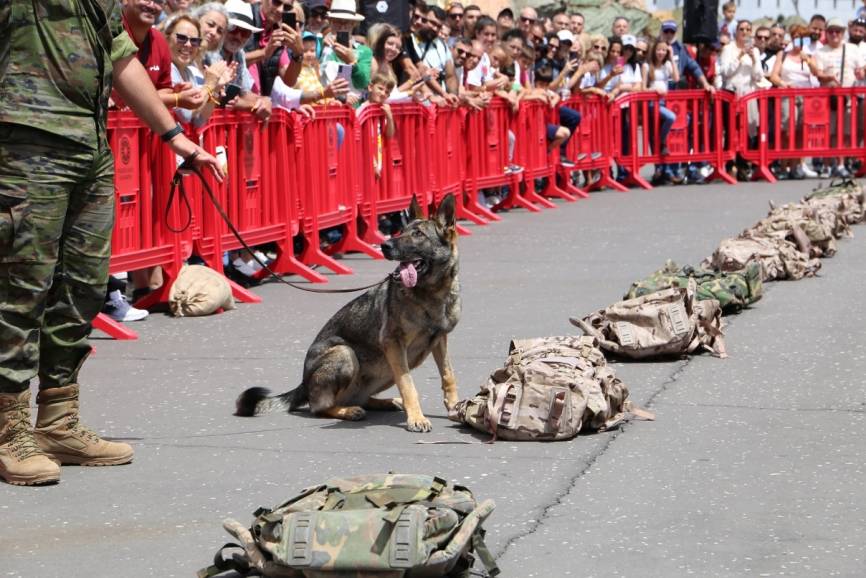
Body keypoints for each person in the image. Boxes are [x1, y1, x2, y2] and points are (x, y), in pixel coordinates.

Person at [0, 0, 222, 486]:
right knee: (21, 289)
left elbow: (122, 60)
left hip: (90, 146)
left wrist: (174, 136)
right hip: (25, 144)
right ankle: (7, 429)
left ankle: (57, 421)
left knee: (82, 287)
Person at [813, 17, 866, 177]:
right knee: (829, 132)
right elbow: (818, 74)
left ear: (843, 33)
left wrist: (861, 72)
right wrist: (828, 79)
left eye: (838, 31)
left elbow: (862, 67)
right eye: (831, 31)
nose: (834, 34)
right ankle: (828, 165)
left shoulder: (852, 49)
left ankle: (841, 163)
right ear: (826, 33)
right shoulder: (820, 51)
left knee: (845, 132)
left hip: (848, 97)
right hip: (828, 98)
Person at [166, 14, 236, 127]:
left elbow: (199, 120)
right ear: (167, 38)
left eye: (194, 41)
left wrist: (215, 89)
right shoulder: (167, 69)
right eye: (181, 38)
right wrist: (209, 85)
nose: (188, 45)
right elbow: (186, 115)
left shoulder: (190, 72)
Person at [768, 25, 818, 180]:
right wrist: (785, 84)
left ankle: (796, 165)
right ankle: (783, 166)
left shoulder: (809, 55)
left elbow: (817, 72)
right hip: (788, 96)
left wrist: (808, 61)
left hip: (806, 96)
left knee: (801, 132)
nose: (800, 41)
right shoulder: (782, 55)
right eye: (797, 37)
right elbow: (774, 76)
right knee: (787, 130)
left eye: (803, 38)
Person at [643, 37, 680, 183]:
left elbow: (676, 78)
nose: (661, 52)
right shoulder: (647, 66)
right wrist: (653, 91)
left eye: (664, 50)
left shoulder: (668, 65)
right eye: (659, 49)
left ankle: (661, 169)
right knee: (670, 118)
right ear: (654, 50)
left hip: (665, 102)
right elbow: (642, 87)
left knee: (658, 131)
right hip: (653, 103)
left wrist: (671, 58)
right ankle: (662, 141)